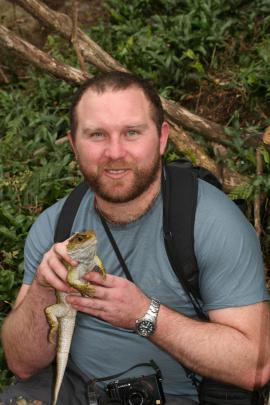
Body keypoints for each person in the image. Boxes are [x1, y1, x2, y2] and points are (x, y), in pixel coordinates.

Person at [1, 71, 270, 405]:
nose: (115, 152)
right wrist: (43, 288)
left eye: (132, 132)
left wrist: (144, 315)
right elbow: (21, 364)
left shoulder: (213, 221)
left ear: (161, 138)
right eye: (97, 134)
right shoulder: (56, 224)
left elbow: (255, 367)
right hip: (71, 390)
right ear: (73, 144)